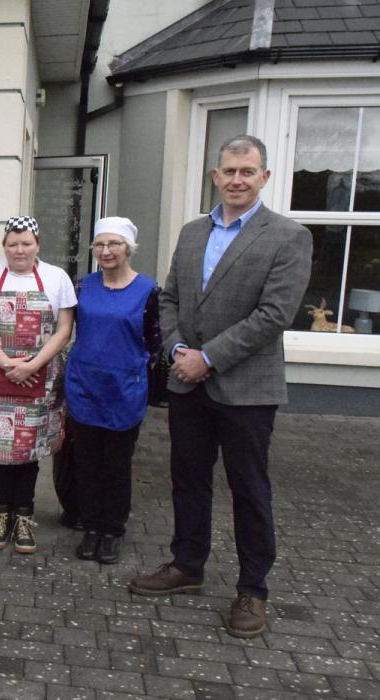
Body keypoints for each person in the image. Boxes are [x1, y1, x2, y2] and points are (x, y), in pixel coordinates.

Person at [128, 135, 312, 639]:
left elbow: (274, 315)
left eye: (247, 172)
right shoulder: (192, 232)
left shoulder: (288, 237)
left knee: (249, 489)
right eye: (229, 171)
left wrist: (207, 358)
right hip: (187, 383)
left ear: (264, 177)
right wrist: (177, 350)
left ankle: (253, 589)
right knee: (188, 479)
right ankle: (187, 565)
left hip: (247, 389)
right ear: (215, 176)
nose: (236, 180)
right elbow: (169, 299)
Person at [0, 216, 76, 555]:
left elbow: (64, 329)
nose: (19, 250)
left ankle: (24, 517)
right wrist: (6, 363)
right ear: (4, 246)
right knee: (2, 451)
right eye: (12, 244)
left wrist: (32, 364)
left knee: (29, 451)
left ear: (37, 245)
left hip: (40, 377)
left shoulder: (57, 278)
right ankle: (1, 515)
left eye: (26, 243)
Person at [64, 216, 160, 565]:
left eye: (114, 244)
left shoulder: (149, 291)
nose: (106, 251)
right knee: (87, 463)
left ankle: (112, 530)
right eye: (100, 245)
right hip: (84, 386)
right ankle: (91, 526)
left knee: (116, 465)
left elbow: (155, 342)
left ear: (128, 248)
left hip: (124, 390)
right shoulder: (82, 287)